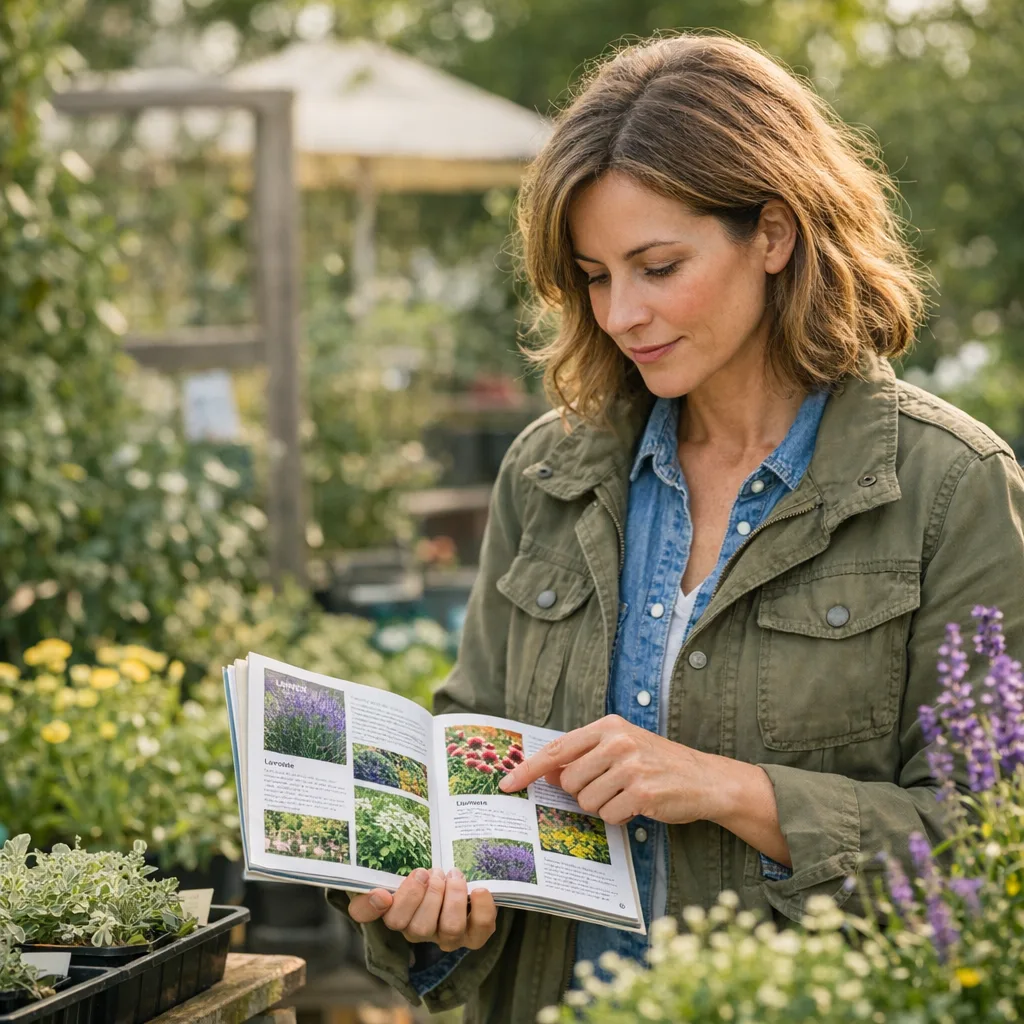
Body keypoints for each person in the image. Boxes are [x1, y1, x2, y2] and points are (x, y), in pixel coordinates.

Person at [328, 31, 1024, 1024]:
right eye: (594, 275)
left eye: (657, 266)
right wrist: (434, 913)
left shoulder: (948, 488)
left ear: (773, 235)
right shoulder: (546, 473)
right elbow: (469, 754)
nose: (620, 313)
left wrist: (732, 790)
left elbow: (992, 848)